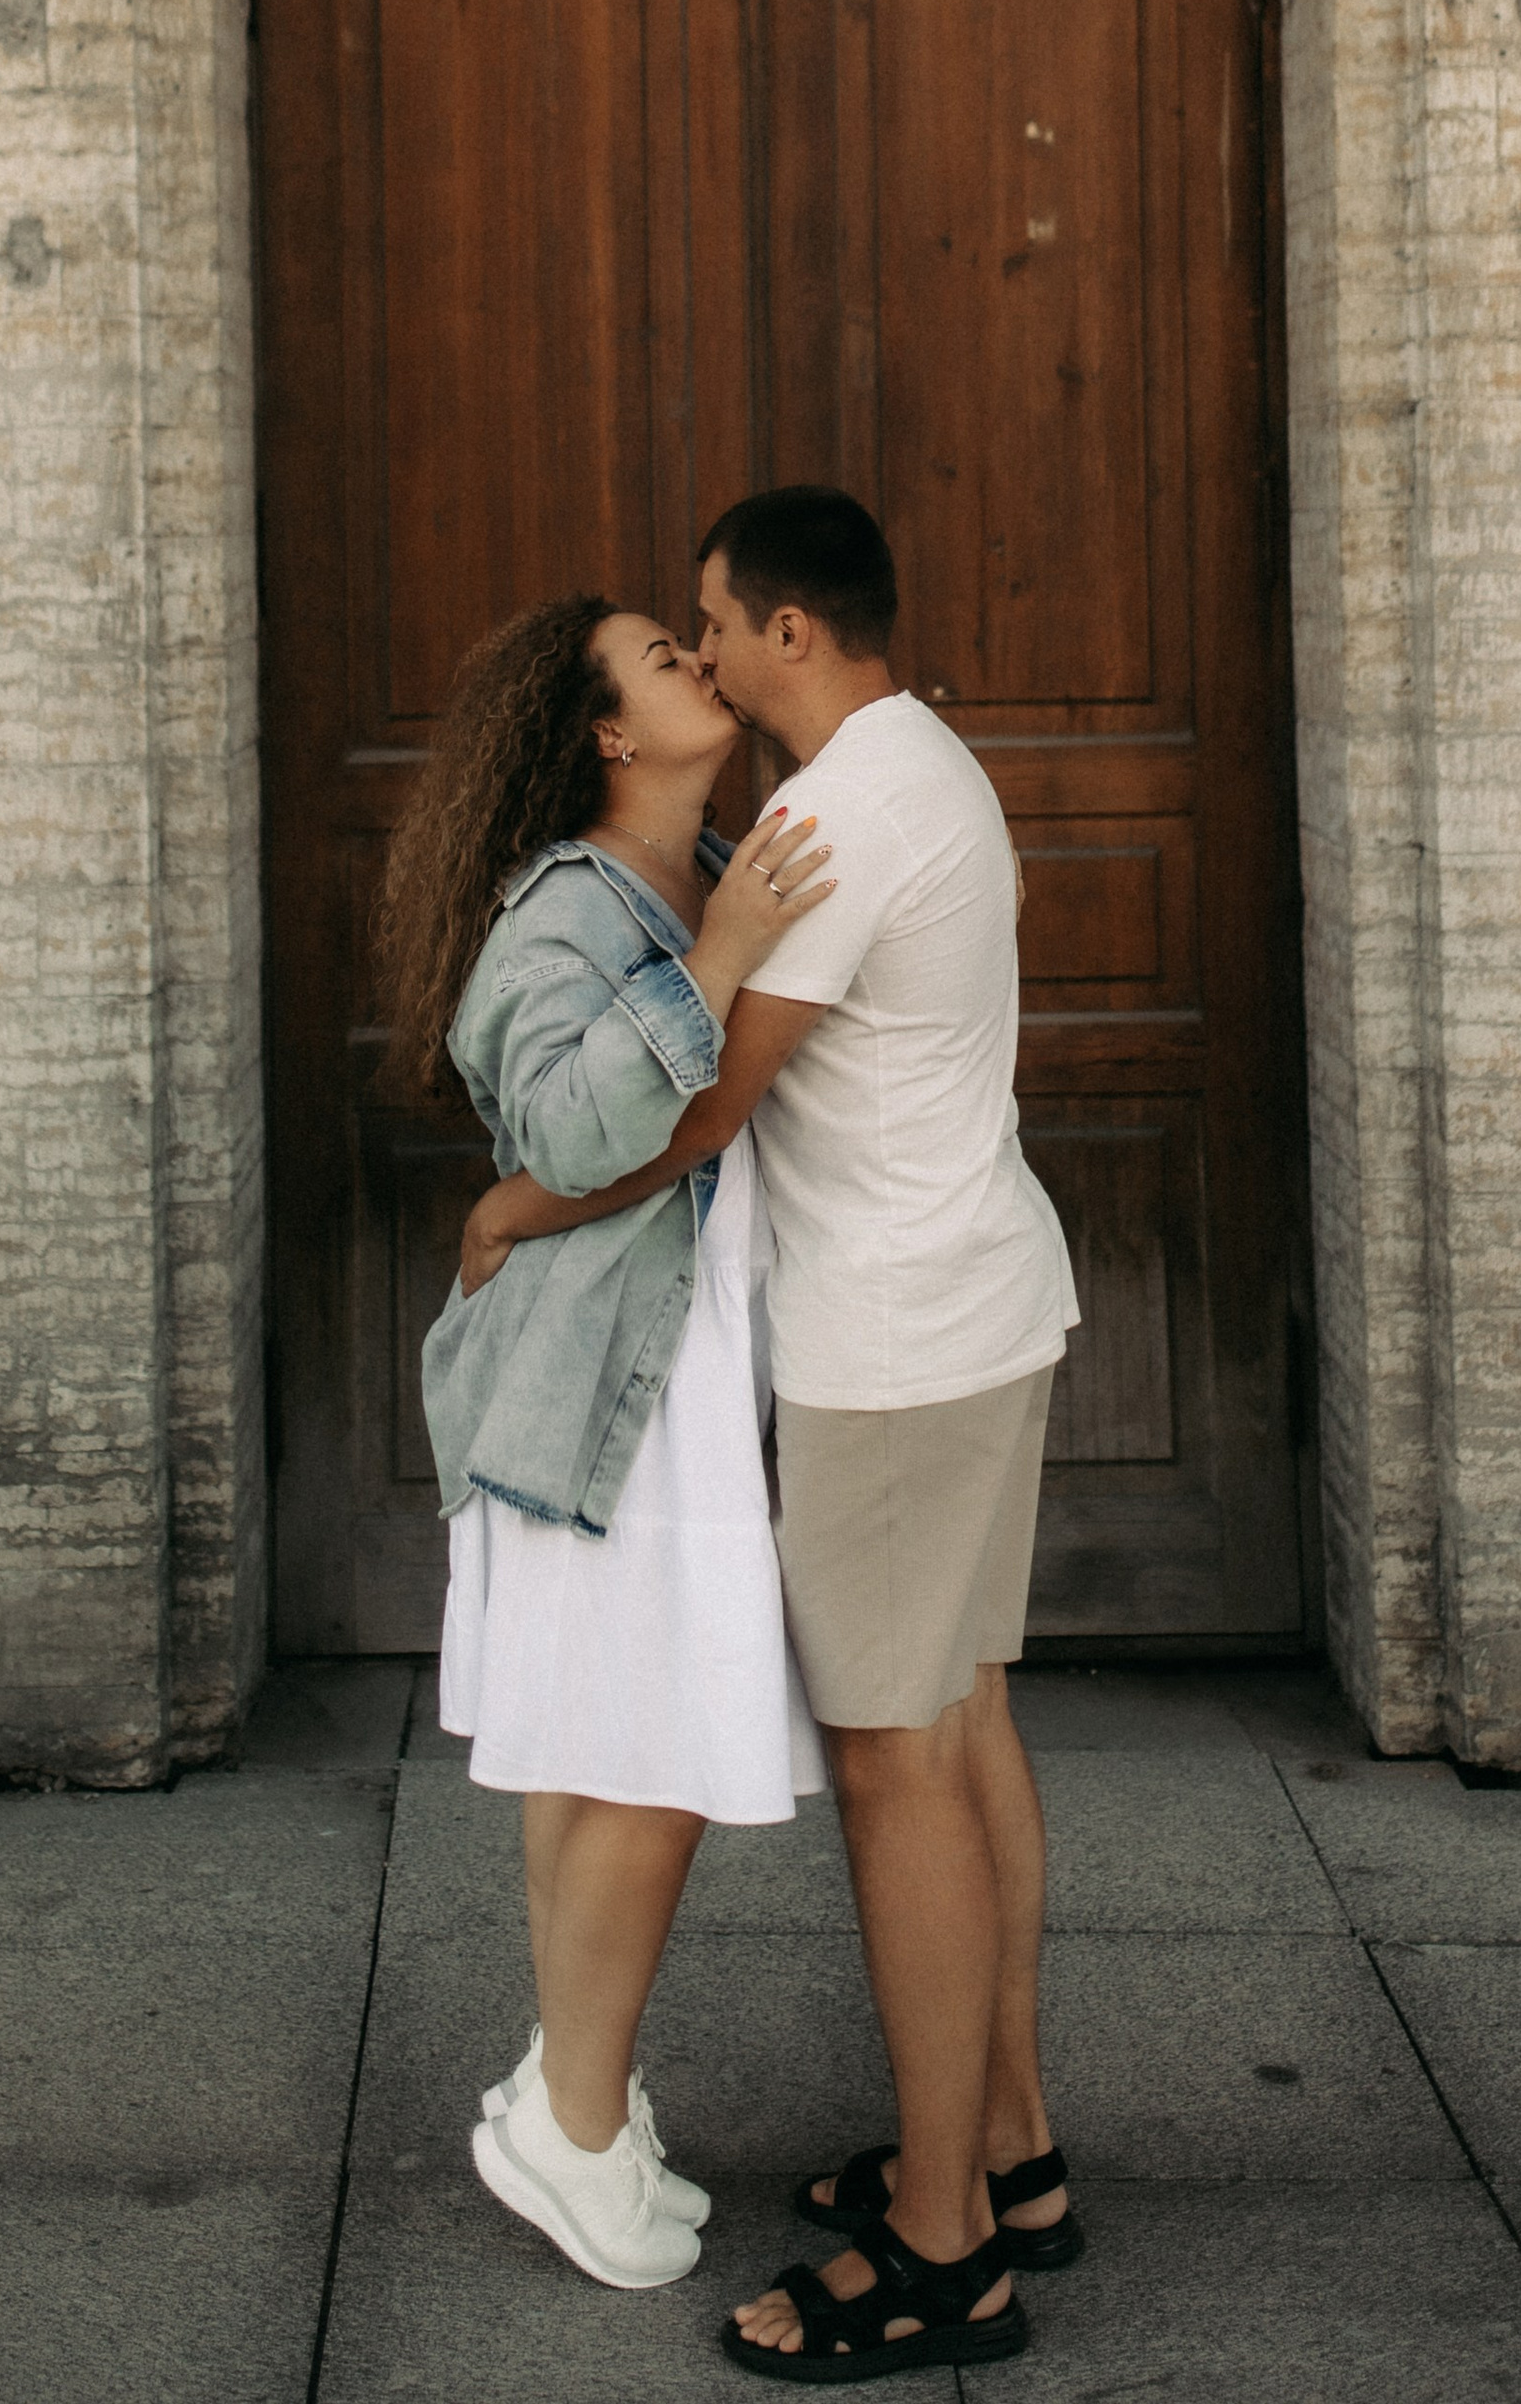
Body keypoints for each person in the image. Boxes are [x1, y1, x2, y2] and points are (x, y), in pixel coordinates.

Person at [462, 487, 1085, 2381]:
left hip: (895, 1347)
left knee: (901, 1767)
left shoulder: (826, 818)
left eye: (714, 621)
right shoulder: (926, 766)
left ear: (791, 629)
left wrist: (516, 1215)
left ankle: (941, 2249)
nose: (706, 648)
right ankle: (1008, 2148)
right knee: (964, 1724)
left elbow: (702, 1104)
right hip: (975, 1297)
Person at [389, 590, 837, 2295]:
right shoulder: (561, 909)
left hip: (672, 1366)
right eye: (664, 657)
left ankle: (573, 2093)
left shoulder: (696, 857)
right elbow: (577, 1124)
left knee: (598, 1751)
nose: (699, 662)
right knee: (646, 1750)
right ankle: (570, 2126)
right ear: (605, 734)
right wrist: (717, 957)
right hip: (603, 1394)